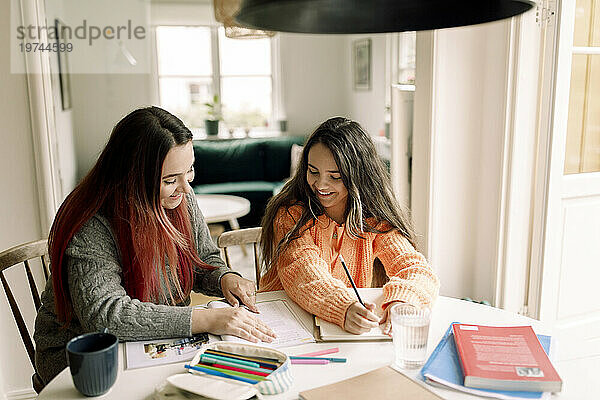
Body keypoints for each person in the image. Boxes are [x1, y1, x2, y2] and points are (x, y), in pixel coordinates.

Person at [33, 107, 275, 385]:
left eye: (190, 171)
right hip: (83, 360)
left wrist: (225, 278)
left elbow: (203, 258)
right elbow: (107, 315)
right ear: (132, 178)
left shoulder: (180, 197)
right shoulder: (92, 224)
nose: (185, 188)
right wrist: (207, 319)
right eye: (170, 180)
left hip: (149, 342)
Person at [260, 117, 439, 335]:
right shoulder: (291, 214)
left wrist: (404, 300)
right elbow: (304, 272)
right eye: (313, 171)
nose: (320, 185)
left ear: (359, 176)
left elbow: (415, 268)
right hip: (284, 322)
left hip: (339, 332)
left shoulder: (373, 219)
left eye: (335, 176)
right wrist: (342, 306)